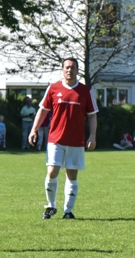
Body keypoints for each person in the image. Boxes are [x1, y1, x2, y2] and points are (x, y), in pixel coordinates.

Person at [28, 57, 97, 220]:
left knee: (72, 175)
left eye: (72, 67)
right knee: (52, 171)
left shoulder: (86, 91)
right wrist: (34, 130)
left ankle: (68, 211)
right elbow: (43, 110)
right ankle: (51, 206)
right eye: (66, 67)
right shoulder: (53, 88)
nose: (69, 70)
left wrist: (92, 135)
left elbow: (92, 116)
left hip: (76, 140)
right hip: (55, 139)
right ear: (62, 69)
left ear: (77, 70)